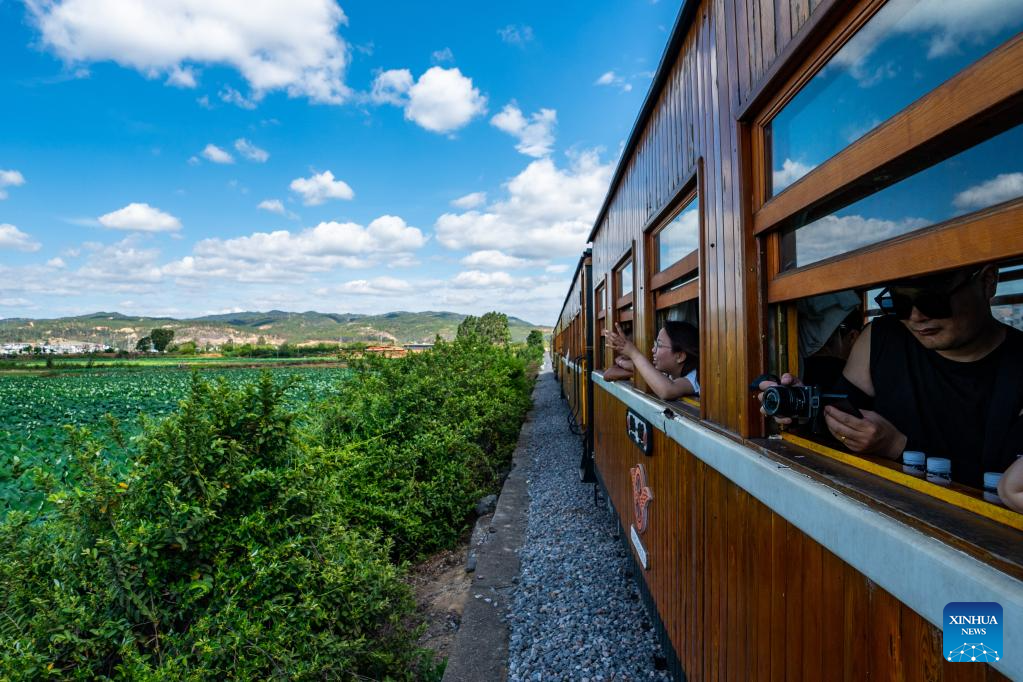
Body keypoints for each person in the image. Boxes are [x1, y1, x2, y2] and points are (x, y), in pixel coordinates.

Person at [759, 264, 1023, 489]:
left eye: (933, 300)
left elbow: (1003, 490)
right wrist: (805, 405)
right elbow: (841, 421)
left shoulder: (1016, 367)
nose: (917, 317)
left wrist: (897, 446)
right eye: (901, 303)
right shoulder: (881, 338)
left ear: (988, 282)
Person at [604, 321, 699, 400]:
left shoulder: (695, 377)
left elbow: (667, 391)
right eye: (655, 344)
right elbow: (608, 374)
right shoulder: (668, 372)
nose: (653, 350)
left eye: (659, 345)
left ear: (680, 356)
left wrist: (633, 353)